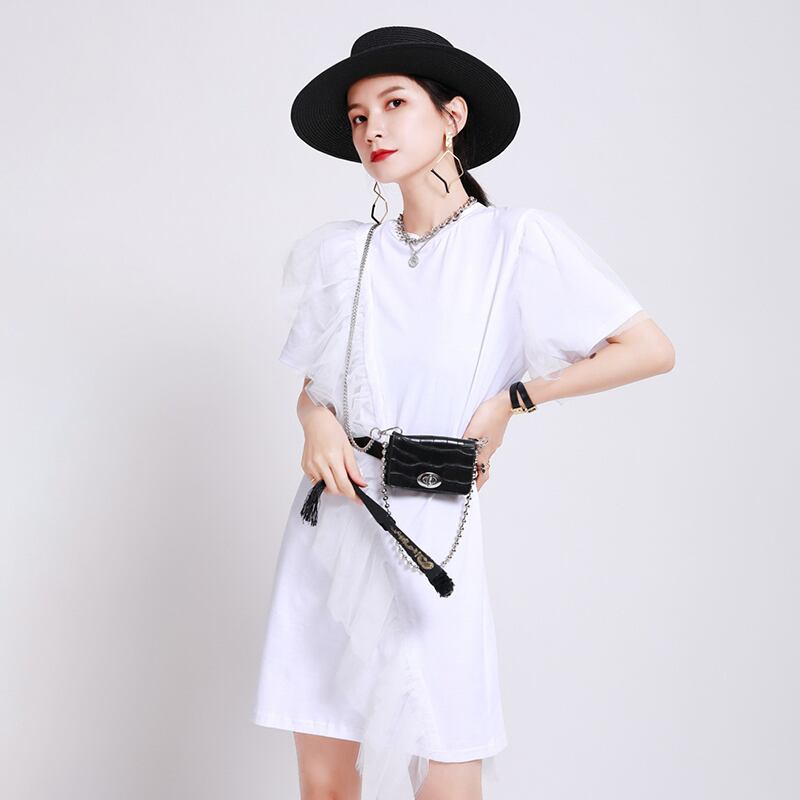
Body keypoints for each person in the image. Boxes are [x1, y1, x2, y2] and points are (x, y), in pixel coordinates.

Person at [252, 25, 675, 800]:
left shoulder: (515, 241)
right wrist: (314, 422)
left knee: (448, 765)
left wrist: (516, 399)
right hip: (332, 525)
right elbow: (320, 384)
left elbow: (647, 347)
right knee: (324, 781)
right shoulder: (345, 255)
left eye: (394, 104)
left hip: (431, 531)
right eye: (358, 116)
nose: (372, 128)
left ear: (452, 116)